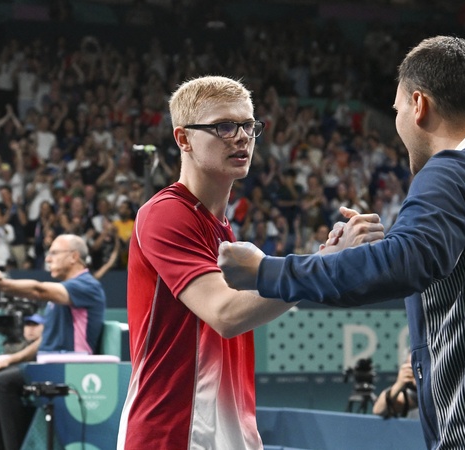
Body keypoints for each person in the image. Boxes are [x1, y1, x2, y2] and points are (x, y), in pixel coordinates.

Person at [218, 36, 465, 449]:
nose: (398, 122)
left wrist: (265, 271)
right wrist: (386, 246)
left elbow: (404, 265)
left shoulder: (452, 170)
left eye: (397, 109)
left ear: (419, 105)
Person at [115, 75, 381, 450]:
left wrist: (326, 261)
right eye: (224, 126)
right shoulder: (166, 213)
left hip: (229, 433)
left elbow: (251, 308)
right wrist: (322, 264)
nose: (241, 137)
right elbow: (225, 313)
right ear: (183, 139)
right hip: (171, 434)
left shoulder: (224, 230)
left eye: (248, 126)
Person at [0, 233, 106, 450]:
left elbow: (38, 289)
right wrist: (10, 358)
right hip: (48, 364)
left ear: (74, 257)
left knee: (2, 383)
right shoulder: (63, 292)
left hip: (71, 366)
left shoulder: (87, 286)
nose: (47, 259)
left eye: (54, 253)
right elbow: (45, 340)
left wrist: (3, 285)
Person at [372, 354, 418, 419]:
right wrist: (399, 385)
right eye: (413, 369)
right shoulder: (415, 395)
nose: (418, 373)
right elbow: (379, 410)